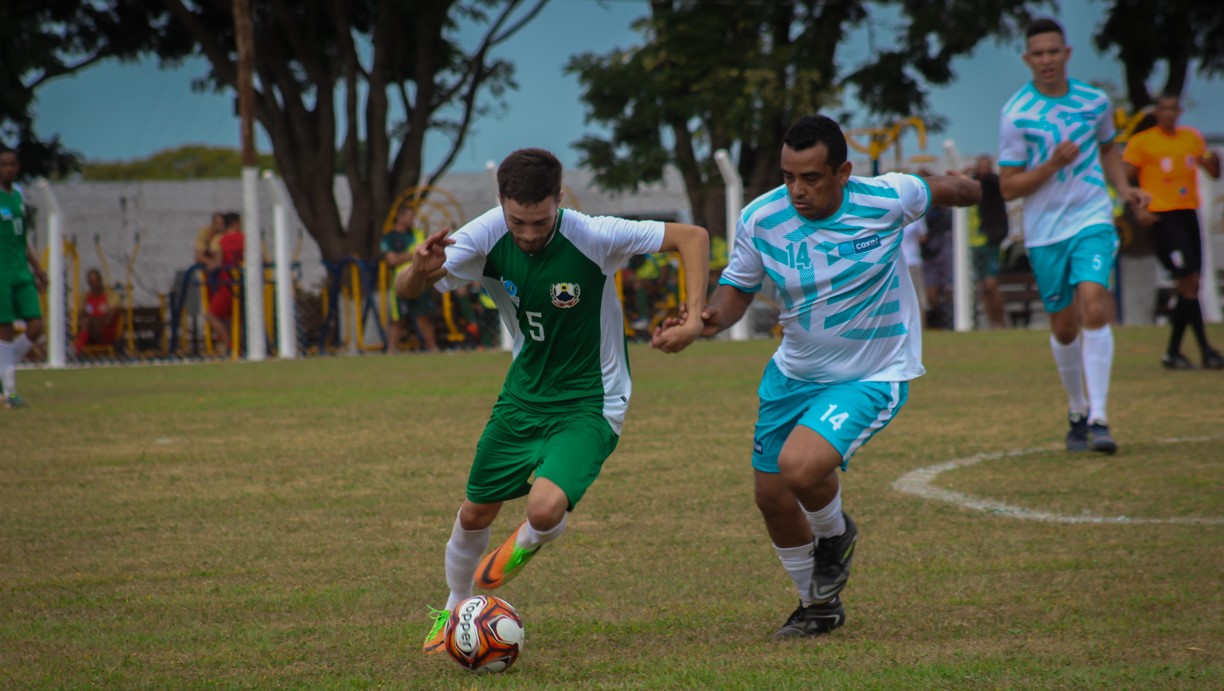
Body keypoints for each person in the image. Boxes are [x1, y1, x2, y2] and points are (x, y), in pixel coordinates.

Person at [658, 115, 980, 639]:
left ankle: (835, 533)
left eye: (810, 177)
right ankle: (818, 606)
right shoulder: (762, 218)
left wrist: (975, 188)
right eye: (788, 176)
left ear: (843, 172)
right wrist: (704, 321)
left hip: (872, 372)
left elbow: (954, 190)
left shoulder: (887, 198)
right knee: (772, 496)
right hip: (794, 371)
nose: (796, 190)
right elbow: (737, 289)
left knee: (800, 468)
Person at [401, 148, 709, 654]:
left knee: (544, 511)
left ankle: (529, 539)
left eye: (539, 220)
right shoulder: (483, 234)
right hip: (522, 398)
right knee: (475, 513)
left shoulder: (592, 235)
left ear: (559, 201)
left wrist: (695, 317)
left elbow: (691, 238)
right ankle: (456, 608)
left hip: (591, 400)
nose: (527, 232)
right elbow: (407, 288)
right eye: (517, 220)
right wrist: (419, 270)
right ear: (501, 203)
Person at [997, 17, 1150, 454]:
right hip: (1045, 232)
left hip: (1092, 217)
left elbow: (1107, 148)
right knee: (1064, 328)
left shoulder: (1095, 102)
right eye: (1038, 53)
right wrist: (1050, 165)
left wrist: (1124, 191)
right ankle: (1077, 409)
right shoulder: (1016, 114)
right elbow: (1008, 187)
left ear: (1067, 53)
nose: (1047, 59)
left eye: (1053, 51)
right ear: (1028, 59)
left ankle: (1101, 418)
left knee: (1094, 304)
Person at [1122, 93, 1223, 370]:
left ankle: (1173, 353)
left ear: (1179, 111)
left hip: (1188, 212)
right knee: (1188, 278)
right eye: (1163, 110)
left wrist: (1213, 162)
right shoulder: (1143, 143)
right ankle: (1205, 350)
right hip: (1162, 217)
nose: (1168, 114)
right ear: (1157, 113)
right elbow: (1123, 179)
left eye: (1172, 109)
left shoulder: (1192, 139)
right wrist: (1138, 209)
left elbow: (1213, 171)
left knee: (1191, 285)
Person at [0, 146, 49, 409]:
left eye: (13, 164)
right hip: (1, 272)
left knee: (36, 327)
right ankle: (9, 392)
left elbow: (22, 238)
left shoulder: (17, 195)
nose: (9, 169)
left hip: (21, 270)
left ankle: (2, 369)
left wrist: (38, 269)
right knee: (4, 330)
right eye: (4, 165)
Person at [381, 204, 439, 353]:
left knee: (424, 316)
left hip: (419, 281)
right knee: (398, 319)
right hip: (400, 284)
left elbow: (428, 252)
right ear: (400, 217)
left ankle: (434, 349)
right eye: (409, 216)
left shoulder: (417, 234)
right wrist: (414, 254)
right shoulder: (389, 238)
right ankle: (391, 351)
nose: (412, 219)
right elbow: (392, 260)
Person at [972, 155, 1010, 329]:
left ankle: (999, 323)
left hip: (991, 242)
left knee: (991, 285)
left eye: (986, 167)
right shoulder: (971, 185)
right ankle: (990, 323)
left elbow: (998, 183)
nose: (983, 170)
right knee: (984, 289)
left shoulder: (994, 184)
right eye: (980, 167)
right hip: (973, 244)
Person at [205, 212, 244, 354]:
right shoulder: (246, 238)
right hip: (245, 284)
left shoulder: (220, 240)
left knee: (211, 315)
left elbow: (217, 263)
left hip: (228, 284)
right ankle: (240, 345)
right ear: (235, 223)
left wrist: (209, 265)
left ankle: (231, 346)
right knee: (238, 317)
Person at [920, 203, 954, 329]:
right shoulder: (922, 209)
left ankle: (951, 322)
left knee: (949, 290)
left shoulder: (946, 212)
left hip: (944, 253)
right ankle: (938, 324)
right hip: (928, 256)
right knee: (932, 295)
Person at [75, 268, 123, 355]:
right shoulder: (85, 298)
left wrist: (91, 320)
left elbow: (109, 320)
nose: (94, 285)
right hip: (90, 332)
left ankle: (77, 351)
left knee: (87, 322)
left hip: (106, 332)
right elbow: (80, 318)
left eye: (95, 281)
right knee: (84, 324)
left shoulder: (111, 296)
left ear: (100, 280)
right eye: (91, 282)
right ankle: (78, 349)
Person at [900, 216, 928, 317]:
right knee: (916, 295)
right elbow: (923, 236)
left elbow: (923, 236)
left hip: (911, 260)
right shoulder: (916, 212)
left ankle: (922, 327)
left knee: (918, 295)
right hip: (904, 261)